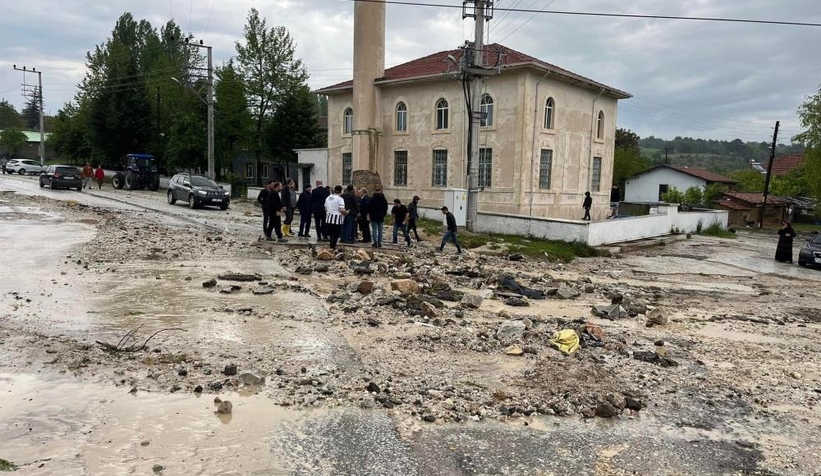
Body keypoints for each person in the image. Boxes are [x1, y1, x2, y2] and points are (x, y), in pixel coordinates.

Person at [324, 185, 347, 250]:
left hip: (329, 218)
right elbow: (341, 209)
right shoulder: (340, 199)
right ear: (341, 191)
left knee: (331, 234)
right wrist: (346, 212)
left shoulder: (328, 197)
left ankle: (331, 247)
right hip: (337, 219)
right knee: (336, 235)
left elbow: (325, 207)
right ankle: (333, 247)